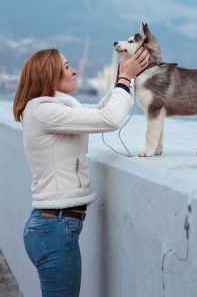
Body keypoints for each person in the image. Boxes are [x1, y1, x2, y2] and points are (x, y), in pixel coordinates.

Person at [12, 46, 150, 297]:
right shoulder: (43, 110)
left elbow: (98, 111)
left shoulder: (51, 109)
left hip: (55, 226)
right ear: (48, 75)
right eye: (66, 67)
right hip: (54, 227)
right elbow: (109, 119)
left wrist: (123, 76)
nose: (74, 70)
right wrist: (123, 80)